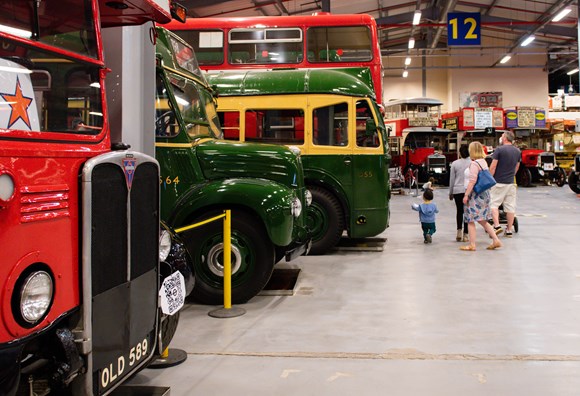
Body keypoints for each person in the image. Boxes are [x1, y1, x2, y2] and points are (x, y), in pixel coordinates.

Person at [460, 141, 503, 251]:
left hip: (475, 195)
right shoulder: (483, 162)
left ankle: (472, 244)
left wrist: (466, 195)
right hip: (485, 194)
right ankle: (495, 239)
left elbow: (472, 181)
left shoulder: (474, 164)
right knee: (482, 220)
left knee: (470, 220)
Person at [489, 130, 521, 238]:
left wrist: (489, 179)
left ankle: (497, 226)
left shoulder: (499, 150)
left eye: (502, 136)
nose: (501, 138)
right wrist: (512, 175)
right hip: (511, 183)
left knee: (493, 205)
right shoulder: (517, 151)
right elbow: (517, 166)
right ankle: (509, 230)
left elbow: (493, 167)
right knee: (510, 207)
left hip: (498, 182)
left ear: (505, 138)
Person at [448, 144, 471, 242]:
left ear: (460, 153)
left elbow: (452, 179)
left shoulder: (455, 163)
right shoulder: (472, 163)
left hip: (457, 191)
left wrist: (451, 192)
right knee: (467, 212)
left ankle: (458, 232)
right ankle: (466, 234)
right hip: (468, 191)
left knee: (459, 211)